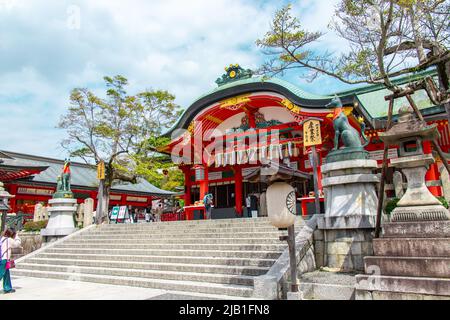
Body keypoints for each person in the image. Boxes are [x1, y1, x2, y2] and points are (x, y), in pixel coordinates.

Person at [0, 228, 21, 294]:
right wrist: (17, 237)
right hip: (4, 260)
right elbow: (16, 244)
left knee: (6, 274)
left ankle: (7, 288)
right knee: (1, 274)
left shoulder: (2, 238)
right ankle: (7, 288)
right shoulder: (9, 240)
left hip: (2, 259)